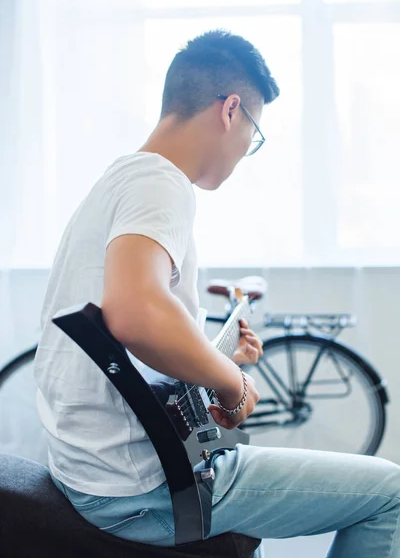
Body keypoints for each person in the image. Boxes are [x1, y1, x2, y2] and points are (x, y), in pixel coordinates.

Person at [34, 30, 400, 558]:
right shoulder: (160, 183)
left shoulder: (121, 178)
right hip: (141, 491)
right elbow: (135, 316)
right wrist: (232, 383)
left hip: (99, 472)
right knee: (389, 491)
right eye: (254, 135)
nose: (245, 153)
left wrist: (218, 356)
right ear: (231, 111)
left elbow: (139, 349)